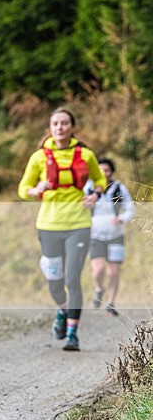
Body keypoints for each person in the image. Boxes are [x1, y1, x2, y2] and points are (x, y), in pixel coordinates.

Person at [18, 107, 107, 352]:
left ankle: (72, 334)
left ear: (72, 127)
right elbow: (23, 188)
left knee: (72, 279)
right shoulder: (39, 157)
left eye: (65, 123)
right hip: (49, 225)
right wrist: (36, 190)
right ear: (50, 128)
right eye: (55, 123)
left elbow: (101, 180)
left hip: (79, 224)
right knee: (55, 282)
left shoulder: (86, 155)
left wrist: (96, 194)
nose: (60, 127)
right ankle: (62, 311)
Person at [84, 158, 135, 316]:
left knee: (114, 271)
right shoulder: (88, 187)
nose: (104, 173)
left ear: (111, 172)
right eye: (100, 170)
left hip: (115, 235)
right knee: (98, 270)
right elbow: (78, 205)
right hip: (95, 235)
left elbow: (130, 208)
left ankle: (111, 302)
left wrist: (121, 219)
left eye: (106, 170)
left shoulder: (119, 188)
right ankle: (99, 288)